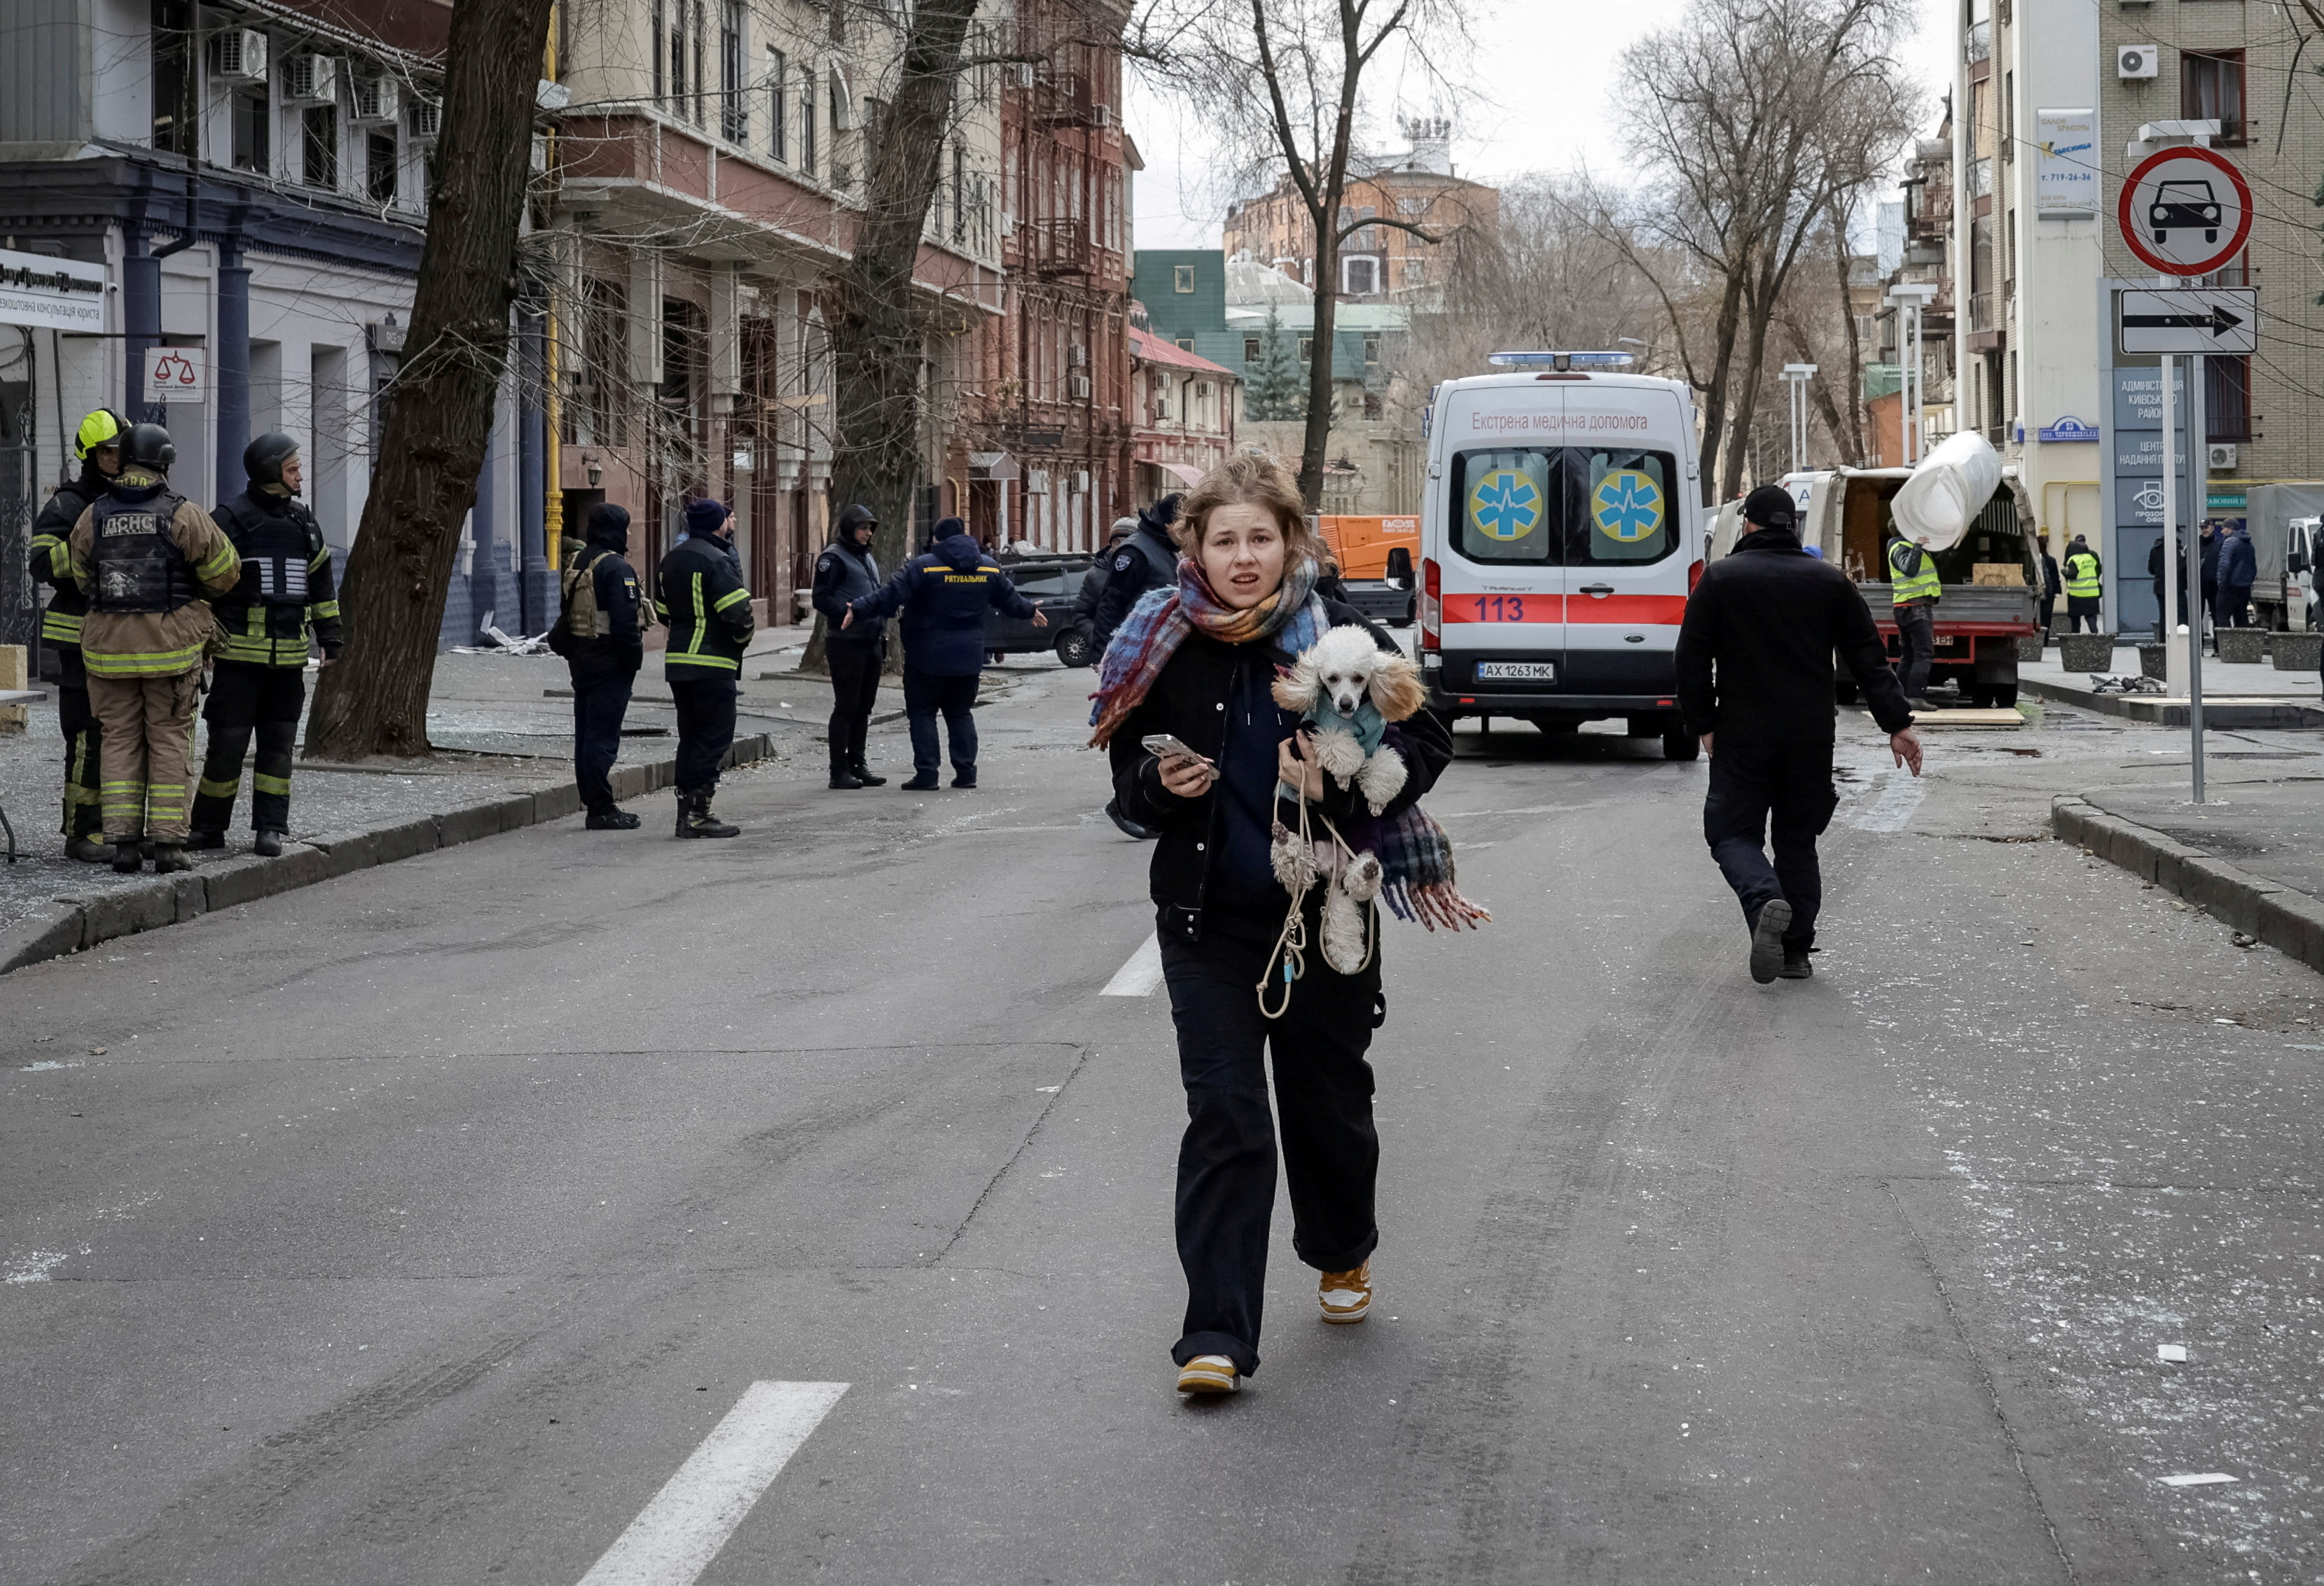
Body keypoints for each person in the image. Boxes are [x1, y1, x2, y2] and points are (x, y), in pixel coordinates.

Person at [1089, 452, 1463, 1397]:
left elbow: (1428, 731)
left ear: (1292, 542)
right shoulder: (1160, 639)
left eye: (1260, 538)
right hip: (1204, 920)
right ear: (1196, 549)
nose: (1243, 556)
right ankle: (1214, 1334)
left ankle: (1341, 1247)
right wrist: (1155, 783)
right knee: (1225, 1113)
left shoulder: (1342, 636)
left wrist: (1338, 776)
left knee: (1327, 1107)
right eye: (1224, 540)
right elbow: (1127, 776)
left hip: (1325, 913)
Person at [1677, 485, 1923, 984]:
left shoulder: (1721, 579)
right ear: (1792, 526)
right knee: (1797, 838)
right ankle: (1795, 952)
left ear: (1748, 524)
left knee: (1731, 832)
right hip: (1810, 736)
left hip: (1742, 733)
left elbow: (1690, 657)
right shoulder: (1828, 582)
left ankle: (1766, 897)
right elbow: (1868, 657)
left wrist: (1703, 723)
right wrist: (1897, 723)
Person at [66, 422, 240, 873]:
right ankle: (167, 847)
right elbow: (225, 573)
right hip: (171, 650)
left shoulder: (93, 515)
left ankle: (122, 844)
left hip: (107, 651)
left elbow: (81, 576)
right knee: (168, 740)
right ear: (163, 463)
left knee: (119, 740)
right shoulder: (183, 515)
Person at [188, 433, 343, 856]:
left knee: (277, 749)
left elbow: (321, 583)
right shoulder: (228, 519)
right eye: (292, 469)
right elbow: (202, 583)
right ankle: (207, 829)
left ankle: (270, 829)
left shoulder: (303, 522)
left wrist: (331, 637)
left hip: (289, 662)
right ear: (270, 471)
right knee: (226, 748)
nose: (299, 477)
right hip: (237, 661)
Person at [844, 517, 1042, 790]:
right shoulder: (989, 567)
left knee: (923, 714)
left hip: (927, 656)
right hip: (969, 658)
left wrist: (858, 608)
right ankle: (966, 773)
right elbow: (1011, 600)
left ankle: (927, 774)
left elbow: (890, 595)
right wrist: (1031, 611)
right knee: (960, 714)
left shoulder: (923, 567)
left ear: (937, 540)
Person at [28, 409, 125, 862]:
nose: (117, 457)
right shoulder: (68, 504)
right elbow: (42, 561)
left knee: (120, 736)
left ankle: (113, 825)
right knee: (86, 737)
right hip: (79, 644)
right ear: (90, 454)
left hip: (124, 641)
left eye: (122, 449)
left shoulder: (128, 499)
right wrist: (90, 550)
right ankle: (80, 833)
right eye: (109, 451)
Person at [658, 498, 754, 837]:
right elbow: (738, 612)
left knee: (691, 738)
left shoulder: (671, 559)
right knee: (714, 738)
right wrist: (741, 641)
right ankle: (698, 814)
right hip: (713, 663)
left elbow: (661, 611)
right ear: (717, 523)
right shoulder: (717, 559)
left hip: (678, 662)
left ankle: (686, 812)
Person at [552, 503, 646, 829]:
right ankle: (601, 808)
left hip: (583, 659)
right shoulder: (616, 568)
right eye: (626, 527)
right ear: (615, 530)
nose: (630, 533)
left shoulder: (578, 561)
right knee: (602, 737)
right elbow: (625, 624)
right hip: (610, 662)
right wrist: (634, 661)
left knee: (586, 733)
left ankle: (595, 801)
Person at [811, 503, 889, 789]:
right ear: (849, 529)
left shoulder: (866, 558)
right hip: (846, 642)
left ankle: (858, 763)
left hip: (871, 640)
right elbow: (820, 597)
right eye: (863, 528)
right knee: (847, 705)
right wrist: (844, 609)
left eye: (870, 528)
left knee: (864, 706)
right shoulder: (833, 558)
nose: (868, 533)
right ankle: (838, 770)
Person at [1088, 493, 1183, 653]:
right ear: (1170, 524)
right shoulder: (1135, 552)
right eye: (1186, 525)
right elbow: (1111, 603)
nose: (1190, 532)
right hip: (1133, 650)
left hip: (1157, 648)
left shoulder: (1166, 548)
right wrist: (1103, 654)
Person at [1883, 522, 1941, 707]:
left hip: (1908, 607)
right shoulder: (1899, 547)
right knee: (1923, 654)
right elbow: (1909, 569)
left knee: (1908, 654)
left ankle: (1902, 697)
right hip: (1915, 607)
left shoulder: (1901, 546)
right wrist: (1917, 546)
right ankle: (1915, 696)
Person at [2216, 520, 2255, 632]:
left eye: (2224, 528)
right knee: (2241, 618)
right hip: (2244, 587)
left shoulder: (2230, 542)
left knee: (2222, 616)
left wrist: (2221, 584)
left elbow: (2224, 565)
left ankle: (2227, 646)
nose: (2222, 531)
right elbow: (2253, 567)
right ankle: (2242, 647)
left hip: (2229, 587)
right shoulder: (2249, 544)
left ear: (2231, 529)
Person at [2063, 534, 2103, 633]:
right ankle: (2095, 637)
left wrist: (2064, 572)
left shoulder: (2074, 559)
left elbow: (2072, 575)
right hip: (2092, 593)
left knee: (2075, 619)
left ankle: (2075, 640)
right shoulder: (2091, 557)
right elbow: (2098, 569)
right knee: (2091, 618)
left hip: (2077, 595)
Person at [2038, 540, 2061, 640]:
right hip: (2049, 592)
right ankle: (2045, 639)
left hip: (2038, 591)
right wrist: (2057, 591)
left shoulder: (2035, 560)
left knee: (2037, 616)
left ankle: (2038, 639)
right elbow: (2055, 577)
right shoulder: (2051, 560)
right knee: (2046, 616)